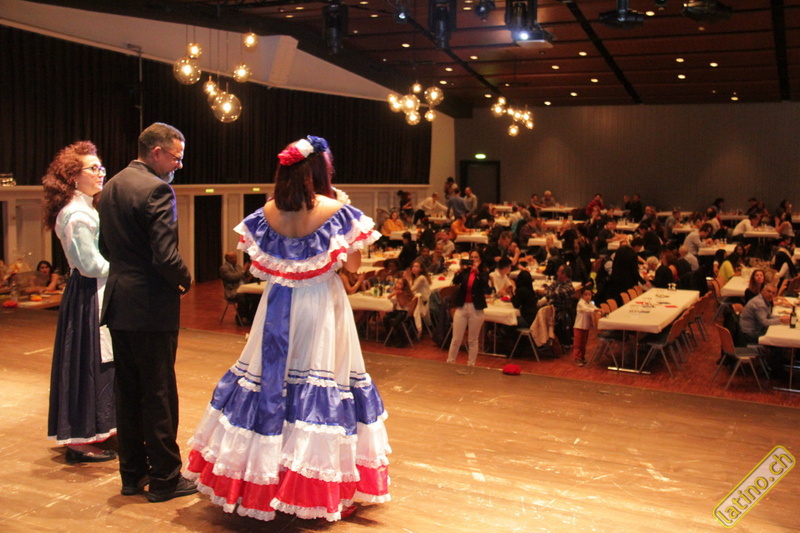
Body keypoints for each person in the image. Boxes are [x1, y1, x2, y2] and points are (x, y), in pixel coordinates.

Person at [185, 136, 390, 521]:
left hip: (277, 304)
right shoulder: (337, 211)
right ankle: (312, 487)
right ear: (320, 171)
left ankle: (260, 481)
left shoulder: (266, 212)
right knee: (319, 385)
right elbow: (352, 267)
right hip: (320, 307)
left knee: (269, 383)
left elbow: (258, 265)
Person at [98, 123, 196, 501]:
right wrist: (184, 282)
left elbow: (105, 249)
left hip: (119, 303)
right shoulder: (157, 189)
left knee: (127, 392)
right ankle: (166, 479)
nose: (179, 165)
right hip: (151, 307)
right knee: (158, 394)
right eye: (176, 157)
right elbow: (165, 257)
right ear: (156, 152)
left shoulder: (110, 187)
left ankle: (132, 474)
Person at [42, 141, 116, 464]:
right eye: (93, 168)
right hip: (88, 295)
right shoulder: (76, 213)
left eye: (101, 167)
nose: (100, 173)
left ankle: (96, 430)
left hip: (91, 292)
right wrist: (127, 267)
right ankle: (80, 439)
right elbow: (90, 265)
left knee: (96, 364)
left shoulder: (85, 208)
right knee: (86, 365)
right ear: (73, 176)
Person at [447, 250, 489, 366]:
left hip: (476, 309)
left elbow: (485, 285)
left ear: (480, 260)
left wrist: (477, 271)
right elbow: (455, 281)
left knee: (473, 340)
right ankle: (450, 362)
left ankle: (471, 364)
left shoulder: (483, 273)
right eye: (472, 257)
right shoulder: (465, 272)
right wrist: (461, 269)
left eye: (476, 257)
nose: (473, 260)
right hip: (462, 306)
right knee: (456, 339)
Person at [219, 251, 257, 325]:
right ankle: (240, 318)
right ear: (228, 259)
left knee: (256, 296)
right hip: (232, 291)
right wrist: (243, 270)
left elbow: (245, 275)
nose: (236, 259)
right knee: (244, 296)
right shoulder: (223, 268)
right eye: (233, 258)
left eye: (235, 257)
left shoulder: (237, 266)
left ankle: (250, 316)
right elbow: (233, 278)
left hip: (244, 288)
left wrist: (250, 270)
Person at [572, 289, 599, 366]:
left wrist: (599, 310)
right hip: (578, 327)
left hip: (586, 327)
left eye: (589, 295)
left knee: (583, 344)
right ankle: (577, 358)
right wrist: (596, 310)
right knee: (577, 344)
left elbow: (594, 308)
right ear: (581, 296)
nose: (588, 297)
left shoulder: (590, 303)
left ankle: (582, 357)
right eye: (585, 295)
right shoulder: (580, 303)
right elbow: (586, 309)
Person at [405, 258, 431, 335]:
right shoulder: (415, 278)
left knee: (405, 306)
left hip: (424, 302)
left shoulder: (421, 278)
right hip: (418, 300)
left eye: (417, 267)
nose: (414, 268)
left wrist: (407, 279)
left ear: (421, 269)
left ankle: (410, 328)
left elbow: (411, 290)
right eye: (413, 266)